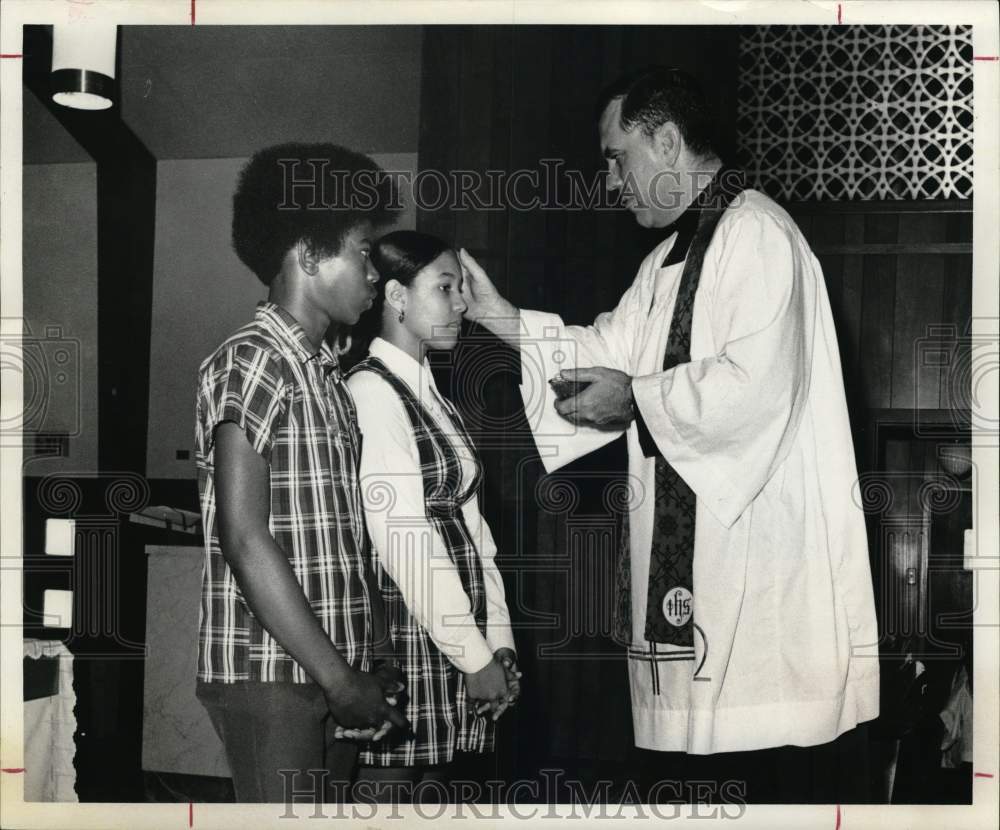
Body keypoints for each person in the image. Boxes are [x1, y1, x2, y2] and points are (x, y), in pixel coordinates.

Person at [457, 67, 880, 801]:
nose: (610, 182)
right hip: (688, 590)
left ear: (669, 141)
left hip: (753, 584)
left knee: (762, 780)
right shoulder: (663, 264)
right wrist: (498, 317)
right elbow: (603, 355)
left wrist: (640, 400)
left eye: (617, 158)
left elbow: (754, 386)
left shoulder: (758, 233)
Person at [194, 143, 409, 803]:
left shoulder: (327, 380)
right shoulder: (254, 358)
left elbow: (341, 535)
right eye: (364, 250)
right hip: (272, 675)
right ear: (311, 256)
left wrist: (370, 651)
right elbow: (245, 536)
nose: (376, 272)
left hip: (327, 665)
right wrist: (341, 682)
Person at [346, 230, 520, 802]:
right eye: (446, 288)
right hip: (404, 637)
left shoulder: (432, 396)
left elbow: (476, 534)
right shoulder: (371, 392)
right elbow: (404, 540)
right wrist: (472, 654)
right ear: (396, 296)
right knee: (389, 796)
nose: (463, 304)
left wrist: (498, 642)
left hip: (453, 637)